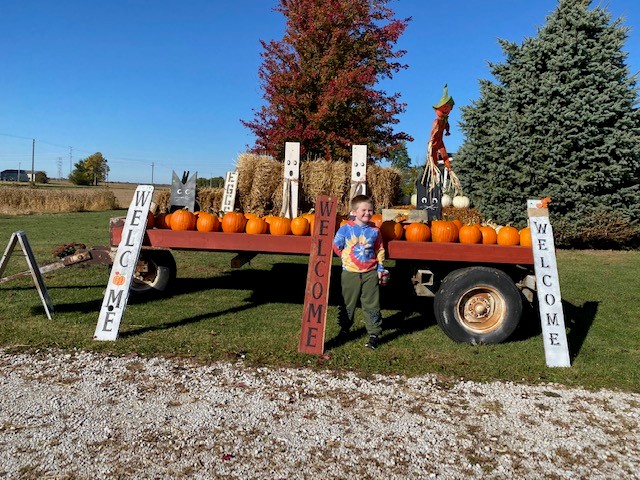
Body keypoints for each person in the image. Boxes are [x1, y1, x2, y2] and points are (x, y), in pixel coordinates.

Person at [332, 194, 385, 349]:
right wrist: (345, 257)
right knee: (348, 302)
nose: (367, 213)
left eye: (370, 210)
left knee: (371, 303)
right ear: (354, 212)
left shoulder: (375, 231)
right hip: (350, 272)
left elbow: (379, 250)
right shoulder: (345, 229)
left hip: (370, 272)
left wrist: (380, 268)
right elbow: (336, 245)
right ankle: (344, 329)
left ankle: (374, 333)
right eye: (364, 210)